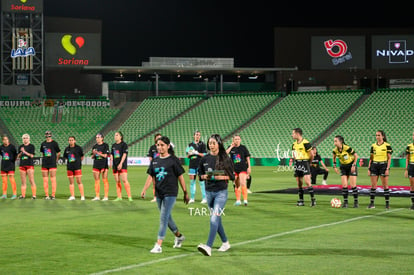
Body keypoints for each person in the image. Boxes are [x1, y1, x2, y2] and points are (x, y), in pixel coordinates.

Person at [147, 136, 189, 253]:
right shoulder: (155, 160)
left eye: (162, 145)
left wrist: (185, 192)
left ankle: (158, 245)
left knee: (163, 218)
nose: (160, 147)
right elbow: (151, 176)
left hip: (171, 193)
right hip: (159, 193)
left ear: (168, 146)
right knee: (167, 217)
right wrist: (145, 189)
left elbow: (180, 177)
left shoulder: (173, 160)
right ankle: (179, 236)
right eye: (158, 145)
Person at [197, 134, 235, 256]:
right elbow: (200, 175)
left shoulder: (225, 159)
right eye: (210, 143)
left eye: (213, 143)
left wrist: (220, 176)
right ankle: (225, 243)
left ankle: (208, 246)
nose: (211, 145)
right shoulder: (204, 159)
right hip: (208, 193)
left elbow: (232, 177)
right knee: (216, 219)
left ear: (218, 144)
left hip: (221, 193)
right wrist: (204, 176)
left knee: (214, 218)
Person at [290, 128, 316, 207]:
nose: (292, 135)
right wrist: (293, 160)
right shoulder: (294, 144)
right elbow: (294, 154)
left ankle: (313, 199)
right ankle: (301, 200)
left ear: (298, 134)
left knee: (307, 182)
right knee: (299, 183)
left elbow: (312, 154)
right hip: (297, 163)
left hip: (305, 162)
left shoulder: (306, 143)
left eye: (293, 133)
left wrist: (309, 163)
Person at [367, 130, 392, 209]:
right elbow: (371, 158)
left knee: (385, 185)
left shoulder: (387, 145)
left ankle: (387, 204)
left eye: (379, 135)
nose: (377, 137)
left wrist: (387, 168)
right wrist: (369, 168)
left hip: (383, 165)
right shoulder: (373, 146)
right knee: (373, 185)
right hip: (374, 165)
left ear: (383, 136)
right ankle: (371, 203)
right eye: (376, 135)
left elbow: (389, 158)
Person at [332, 135, 359, 208]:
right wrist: (334, 166)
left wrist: (353, 165)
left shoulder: (347, 148)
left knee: (353, 185)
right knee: (344, 185)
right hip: (343, 167)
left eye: (336, 141)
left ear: (340, 142)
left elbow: (356, 156)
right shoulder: (335, 150)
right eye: (334, 141)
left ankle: (356, 202)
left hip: (351, 166)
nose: (334, 143)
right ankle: (345, 202)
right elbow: (334, 157)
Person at [226, 134, 251, 206]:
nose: (237, 140)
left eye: (238, 139)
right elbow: (225, 153)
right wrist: (231, 146)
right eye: (235, 139)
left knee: (243, 182)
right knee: (236, 184)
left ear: (240, 140)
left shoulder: (243, 148)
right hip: (234, 169)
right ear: (233, 140)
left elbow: (247, 158)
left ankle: (245, 200)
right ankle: (238, 200)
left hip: (242, 168)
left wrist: (249, 167)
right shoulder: (231, 148)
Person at [186, 130, 207, 204]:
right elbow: (187, 156)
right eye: (196, 135)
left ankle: (204, 198)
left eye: (198, 135)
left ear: (200, 136)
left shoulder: (202, 144)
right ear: (194, 136)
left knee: (201, 181)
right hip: (192, 164)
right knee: (192, 182)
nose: (197, 136)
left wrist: (197, 153)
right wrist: (190, 153)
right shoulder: (190, 145)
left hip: (200, 164)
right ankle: (192, 198)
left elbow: (205, 154)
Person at [111, 131, 132, 201]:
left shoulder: (124, 145)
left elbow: (124, 154)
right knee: (117, 181)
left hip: (122, 165)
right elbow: (112, 154)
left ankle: (129, 196)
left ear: (121, 137)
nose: (115, 136)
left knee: (124, 180)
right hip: (115, 165)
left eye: (117, 135)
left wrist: (121, 163)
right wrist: (111, 162)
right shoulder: (113, 145)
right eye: (115, 135)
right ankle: (119, 196)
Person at [40, 130, 61, 200]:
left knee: (53, 179)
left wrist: (56, 160)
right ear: (45, 136)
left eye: (49, 135)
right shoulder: (43, 144)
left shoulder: (54, 143)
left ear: (51, 135)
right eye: (47, 135)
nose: (48, 136)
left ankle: (53, 195)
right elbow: (42, 153)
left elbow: (58, 152)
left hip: (52, 163)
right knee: (45, 180)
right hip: (45, 163)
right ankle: (47, 195)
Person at [63, 136, 85, 201]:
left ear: (74, 141)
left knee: (79, 181)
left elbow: (82, 156)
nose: (71, 141)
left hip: (77, 167)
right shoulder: (67, 149)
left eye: (72, 140)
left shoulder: (78, 148)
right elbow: (66, 157)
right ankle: (72, 196)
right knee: (71, 182)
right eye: (69, 140)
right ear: (68, 141)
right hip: (69, 167)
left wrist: (77, 162)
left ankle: (82, 196)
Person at [142, 133, 161, 202]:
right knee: (154, 183)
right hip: (154, 167)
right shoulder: (152, 147)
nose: (159, 139)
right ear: (155, 139)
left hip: (162, 167)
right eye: (157, 137)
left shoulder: (163, 147)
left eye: (160, 137)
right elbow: (150, 157)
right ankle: (155, 197)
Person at [91, 133, 110, 201]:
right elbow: (92, 157)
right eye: (96, 137)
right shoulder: (94, 146)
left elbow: (105, 155)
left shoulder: (105, 145)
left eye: (98, 137)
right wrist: (93, 154)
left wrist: (98, 153)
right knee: (96, 180)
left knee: (105, 180)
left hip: (104, 164)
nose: (97, 139)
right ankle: (97, 196)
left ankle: (106, 196)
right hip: (96, 164)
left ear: (102, 138)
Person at [17, 134, 36, 199]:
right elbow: (18, 156)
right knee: (23, 181)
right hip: (22, 165)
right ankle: (23, 195)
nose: (25, 139)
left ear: (29, 139)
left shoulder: (31, 146)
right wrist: (21, 152)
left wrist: (24, 151)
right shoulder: (20, 146)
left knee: (31, 180)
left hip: (29, 165)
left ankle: (34, 195)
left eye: (26, 138)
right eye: (24, 138)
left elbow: (32, 156)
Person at [0, 135, 17, 199]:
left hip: (10, 165)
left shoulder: (12, 147)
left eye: (7, 139)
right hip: (4, 165)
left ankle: (14, 194)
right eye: (4, 140)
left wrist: (12, 161)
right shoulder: (1, 147)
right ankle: (4, 194)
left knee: (12, 180)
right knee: (4, 181)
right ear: (2, 141)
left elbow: (15, 155)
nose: (6, 141)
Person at [405, 131, 414, 210]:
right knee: (412, 185)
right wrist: (406, 169)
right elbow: (407, 158)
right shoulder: (409, 147)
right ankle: (413, 203)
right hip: (411, 166)